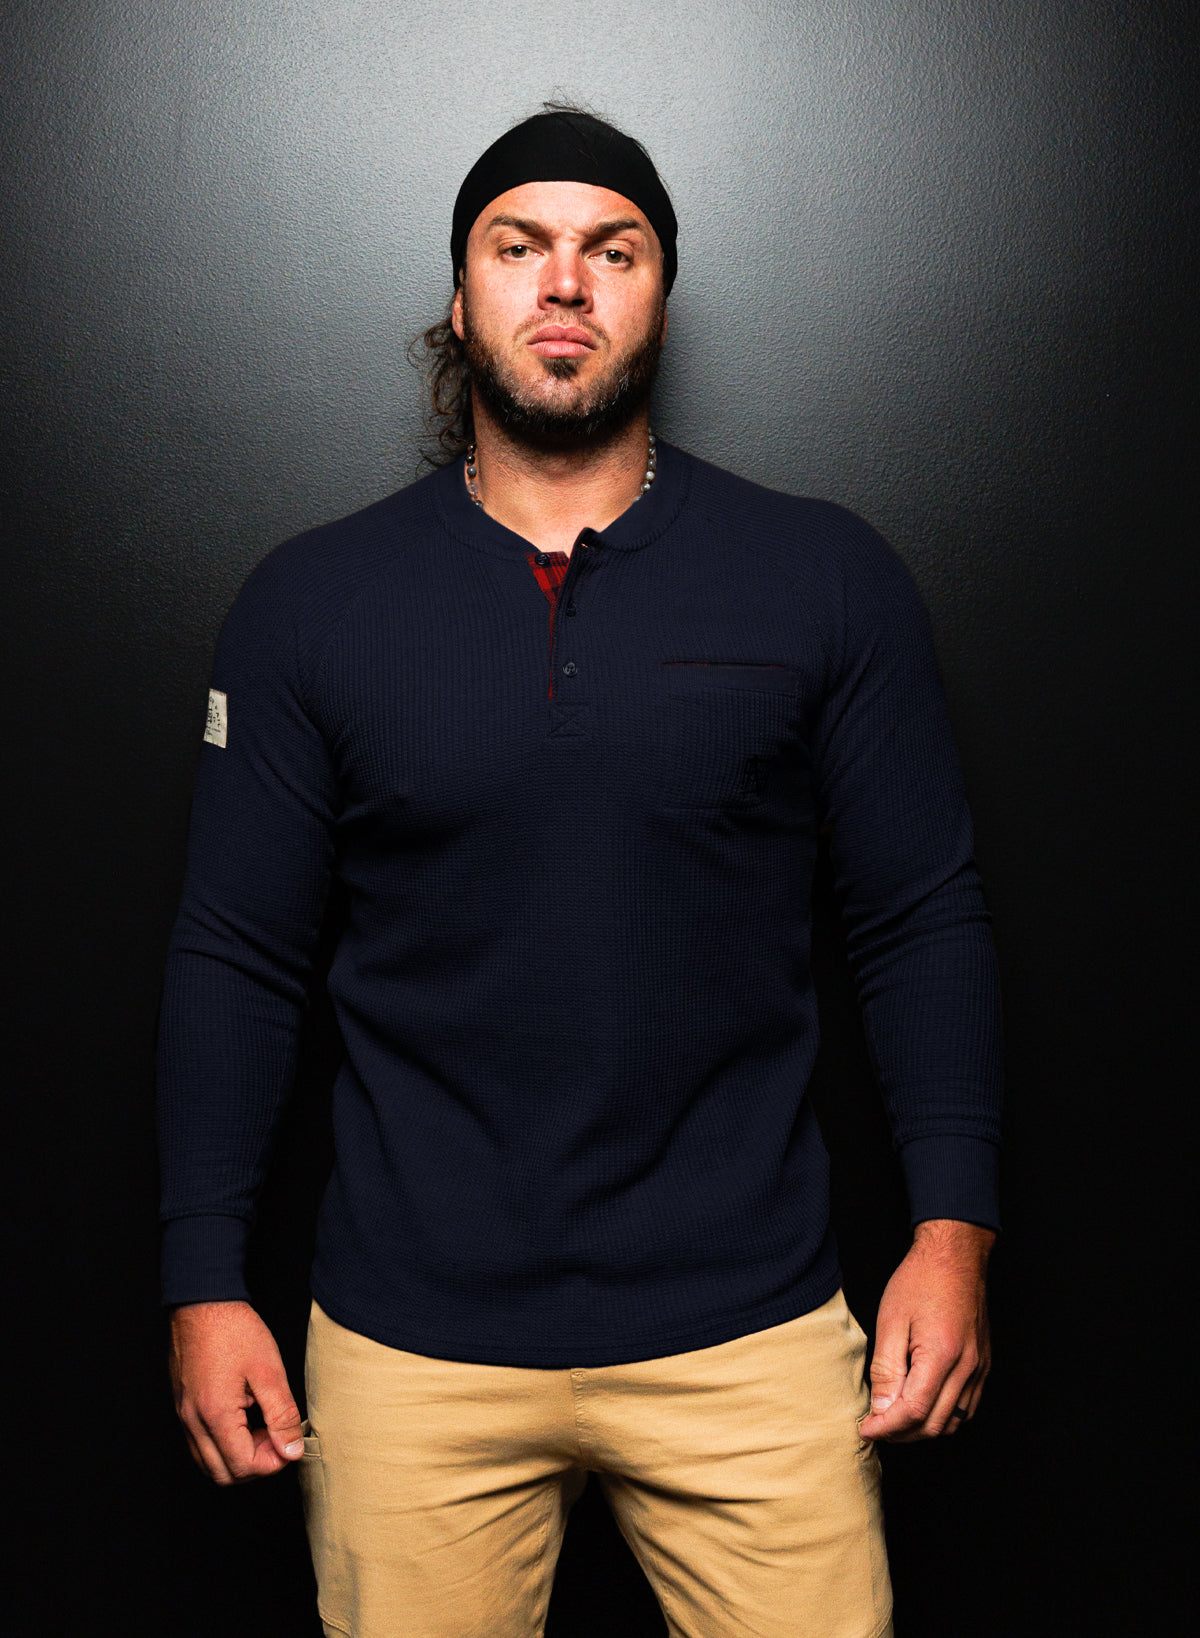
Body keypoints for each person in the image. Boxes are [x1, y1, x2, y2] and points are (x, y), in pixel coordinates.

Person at [159, 104, 1002, 1638]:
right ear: (461, 294)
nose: (564, 281)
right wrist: (203, 1277)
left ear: (660, 295)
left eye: (612, 250)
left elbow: (918, 919)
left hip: (748, 1326)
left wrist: (954, 1233)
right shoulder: (310, 603)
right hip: (412, 1343)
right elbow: (238, 956)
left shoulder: (824, 576)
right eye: (520, 245)